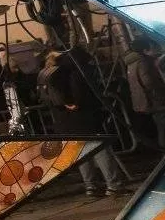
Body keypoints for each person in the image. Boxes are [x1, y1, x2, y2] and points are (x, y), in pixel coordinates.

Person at [40, 48, 127, 196]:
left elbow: (45, 98)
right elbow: (81, 95)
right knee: (100, 149)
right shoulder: (74, 72)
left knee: (82, 153)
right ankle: (114, 184)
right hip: (83, 118)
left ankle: (90, 185)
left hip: (64, 120)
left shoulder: (46, 74)